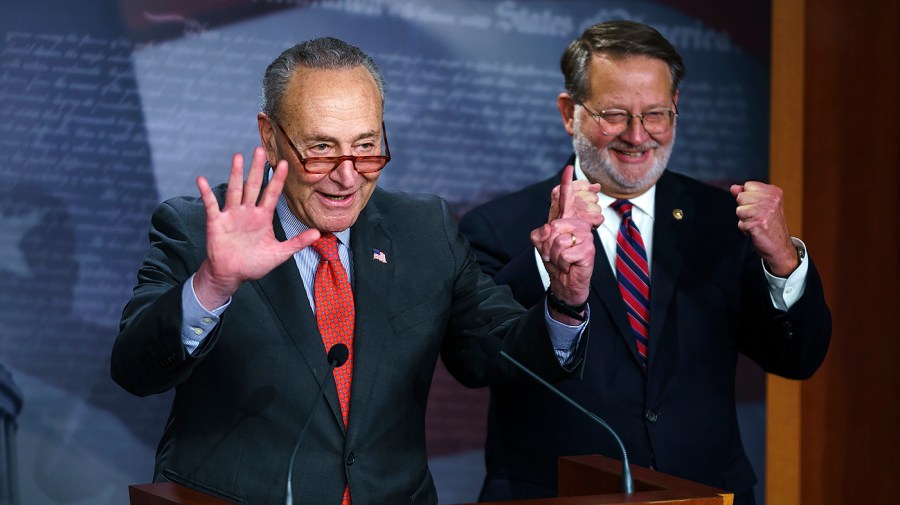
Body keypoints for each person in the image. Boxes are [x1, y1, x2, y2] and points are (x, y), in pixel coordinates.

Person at [111, 37, 600, 505]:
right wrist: (213, 286)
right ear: (270, 136)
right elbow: (135, 369)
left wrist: (564, 300)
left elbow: (496, 352)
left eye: (366, 146)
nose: (347, 176)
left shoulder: (423, 229)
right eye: (321, 149)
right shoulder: (200, 228)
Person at [459, 20, 831, 505]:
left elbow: (798, 359)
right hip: (556, 494)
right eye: (614, 113)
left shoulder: (722, 221)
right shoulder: (499, 226)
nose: (638, 136)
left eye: (656, 113)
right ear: (569, 112)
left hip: (705, 492)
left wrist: (783, 259)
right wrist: (545, 260)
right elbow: (474, 360)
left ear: (676, 108)